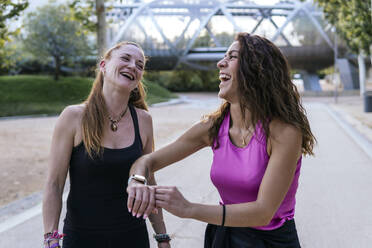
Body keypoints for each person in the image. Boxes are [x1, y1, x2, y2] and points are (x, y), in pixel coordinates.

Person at [126, 33, 316, 247]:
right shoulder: (214, 127)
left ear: (256, 70)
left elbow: (263, 212)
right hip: (224, 238)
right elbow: (147, 162)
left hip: (272, 242)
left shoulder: (284, 132)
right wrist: (138, 181)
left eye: (232, 57)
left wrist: (189, 208)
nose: (220, 63)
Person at [42, 41, 171, 248]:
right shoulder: (73, 117)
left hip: (133, 238)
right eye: (125, 59)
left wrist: (162, 237)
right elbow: (54, 184)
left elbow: (149, 180)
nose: (133, 66)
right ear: (103, 65)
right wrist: (50, 237)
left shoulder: (144, 120)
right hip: (81, 238)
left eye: (139, 65)